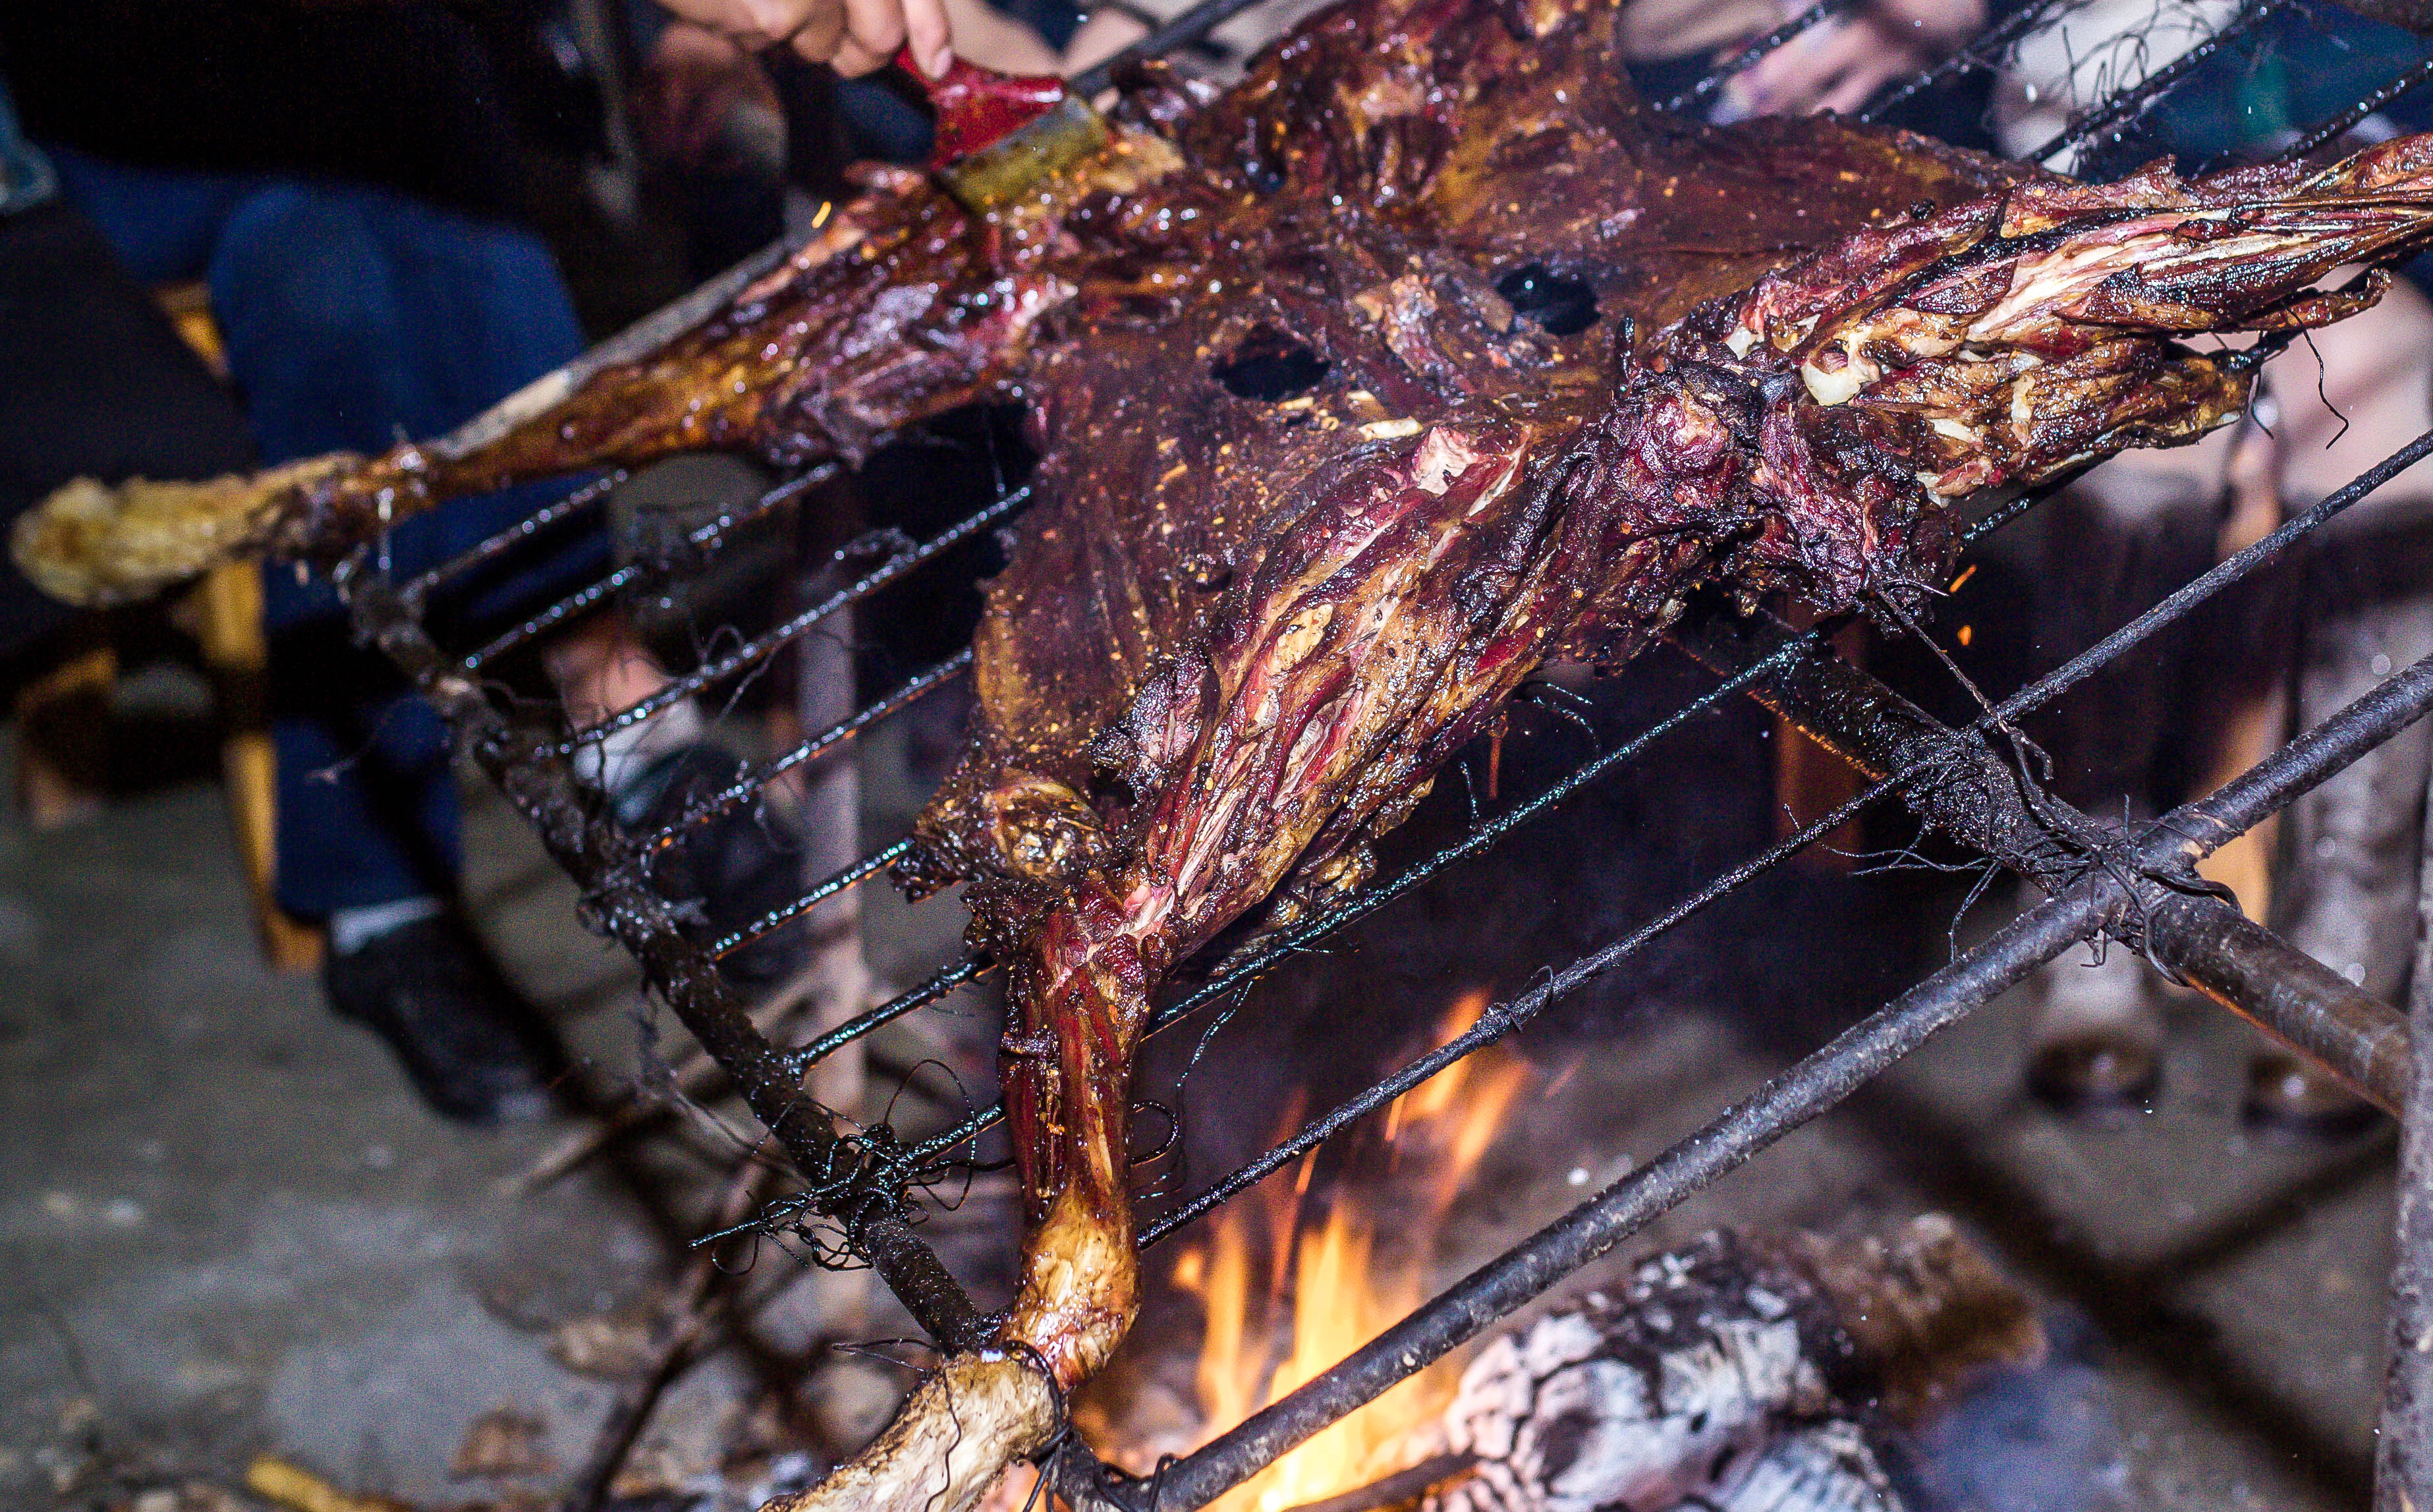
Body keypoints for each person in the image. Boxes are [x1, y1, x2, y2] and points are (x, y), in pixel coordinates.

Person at [0, 0, 847, 1123]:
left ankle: (381, 899)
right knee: (335, 222)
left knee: (352, 188)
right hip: (104, 140)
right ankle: (611, 716)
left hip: (346, 106)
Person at [1665, 0, 2433, 1131]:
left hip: (2382, 135)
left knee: (2374, 392)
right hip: (2130, 135)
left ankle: (2351, 915)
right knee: (2148, 393)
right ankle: (2092, 882)